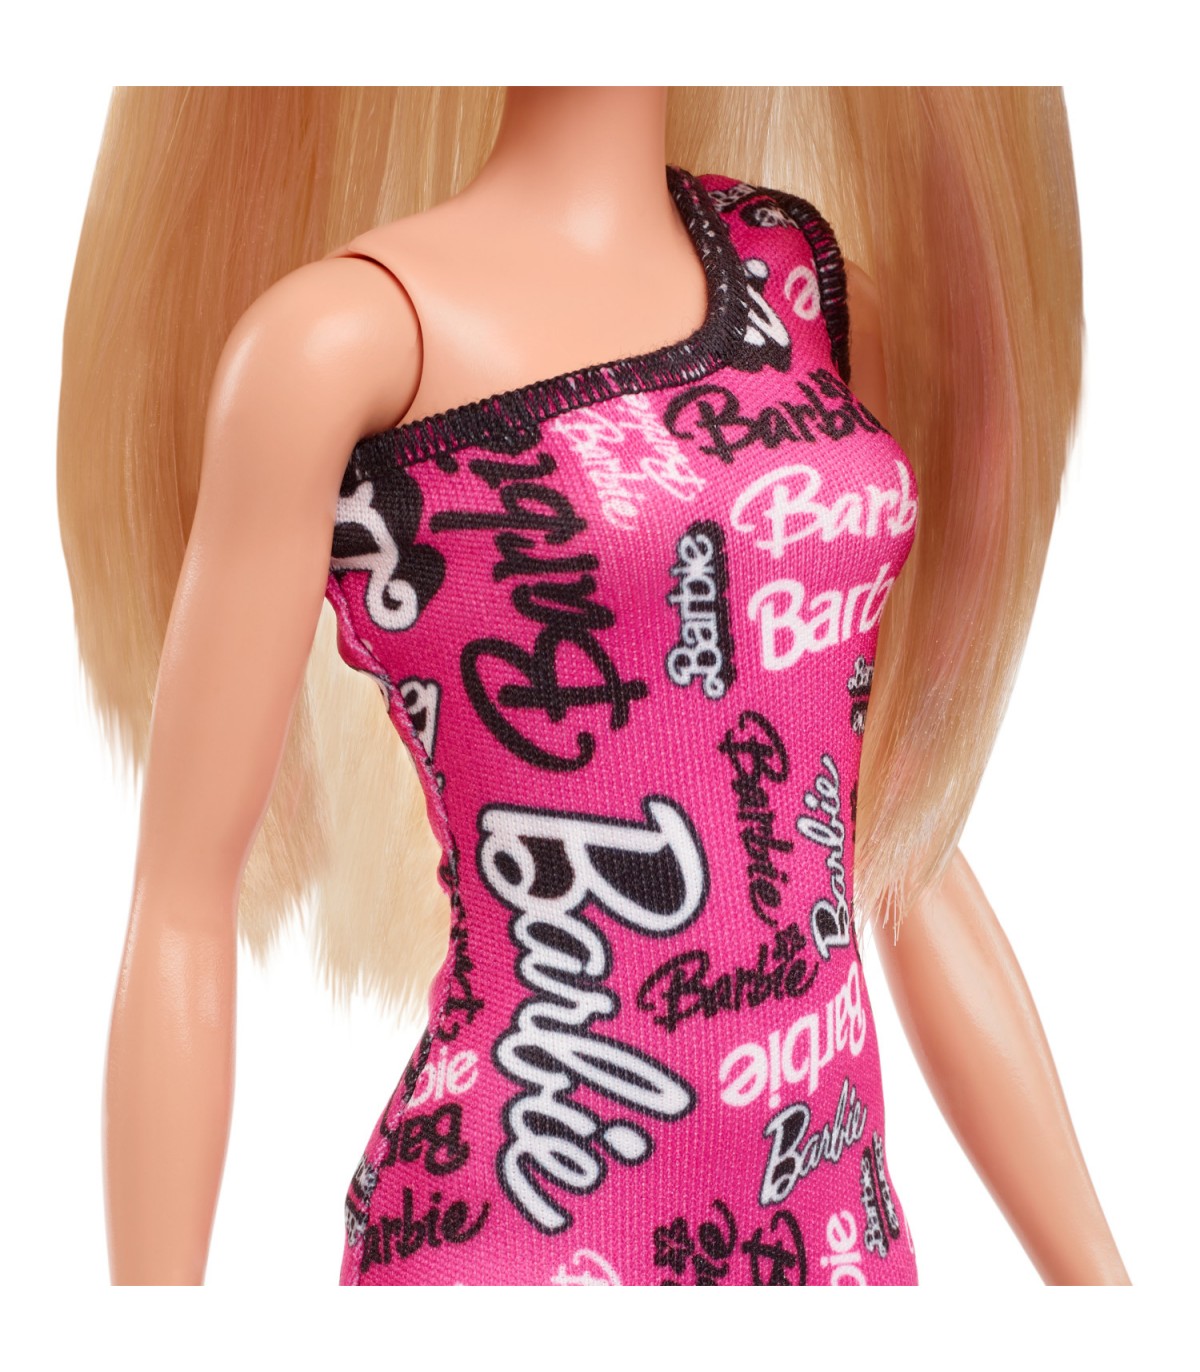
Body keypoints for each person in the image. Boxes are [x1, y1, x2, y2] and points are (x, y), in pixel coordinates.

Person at [58, 85, 1129, 1285]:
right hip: (519, 1220)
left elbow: (884, 839)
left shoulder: (798, 279)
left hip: (830, 1232)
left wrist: (1096, 1275)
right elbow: (181, 897)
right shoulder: (345, 341)